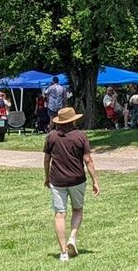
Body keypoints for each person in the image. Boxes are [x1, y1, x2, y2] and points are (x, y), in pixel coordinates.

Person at [43, 107, 100, 262]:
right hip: (77, 180)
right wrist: (95, 180)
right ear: (73, 120)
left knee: (59, 214)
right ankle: (72, 238)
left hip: (57, 180)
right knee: (77, 209)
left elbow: (47, 160)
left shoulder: (51, 136)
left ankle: (63, 253)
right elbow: (88, 160)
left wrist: (47, 177)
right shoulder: (80, 136)